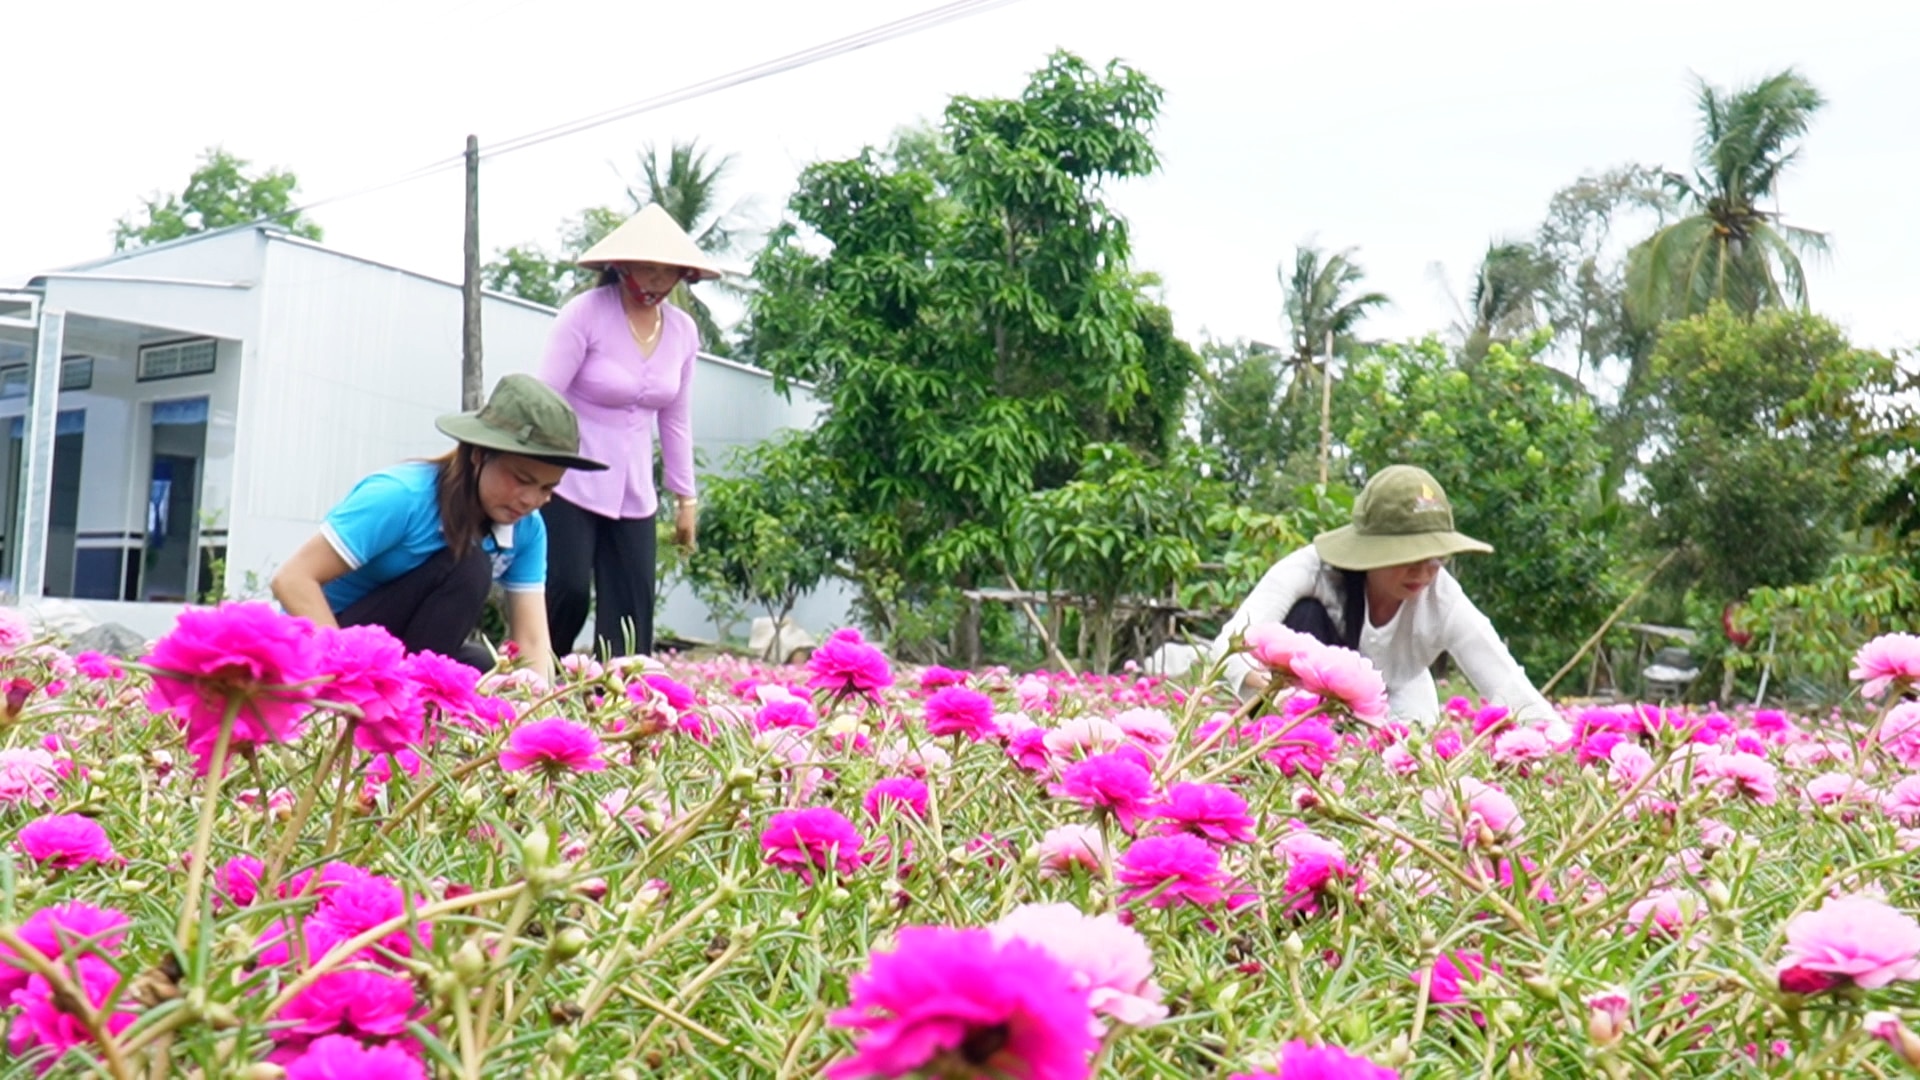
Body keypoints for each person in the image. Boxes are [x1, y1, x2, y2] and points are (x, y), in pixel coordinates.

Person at [271, 375, 606, 683]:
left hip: (401, 648)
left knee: (492, 675)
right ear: (478, 455)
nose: (531, 499)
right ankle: (406, 703)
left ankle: (416, 702)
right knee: (468, 567)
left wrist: (539, 713)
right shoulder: (401, 496)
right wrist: (346, 670)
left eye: (548, 488)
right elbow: (292, 580)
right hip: (325, 642)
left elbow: (533, 641)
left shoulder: (528, 530)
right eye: (522, 479)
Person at [1211, 464, 1554, 724]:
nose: (1422, 573)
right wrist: (1280, 692)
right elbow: (1232, 643)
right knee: (1303, 617)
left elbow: (1506, 682)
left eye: (1434, 560)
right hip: (1301, 703)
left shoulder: (1443, 599)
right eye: (1408, 558)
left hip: (1400, 698)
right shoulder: (1313, 570)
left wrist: (1564, 747)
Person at [537, 204, 721, 659]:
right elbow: (543, 397)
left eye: (666, 272)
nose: (655, 282)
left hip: (634, 492)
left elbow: (676, 417)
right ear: (621, 267)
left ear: (683, 276)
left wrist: (686, 500)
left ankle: (615, 706)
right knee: (567, 589)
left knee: (629, 613)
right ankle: (533, 681)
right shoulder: (585, 314)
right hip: (568, 481)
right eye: (646, 269)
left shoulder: (683, 331)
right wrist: (528, 474)